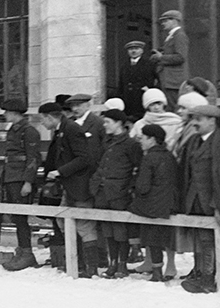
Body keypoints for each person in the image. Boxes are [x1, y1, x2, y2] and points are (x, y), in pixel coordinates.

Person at [38, 101, 101, 278]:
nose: (42, 123)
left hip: (80, 186)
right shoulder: (62, 130)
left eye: (42, 119)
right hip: (69, 185)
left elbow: (85, 158)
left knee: (85, 226)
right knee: (63, 221)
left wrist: (60, 171)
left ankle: (91, 268)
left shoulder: (72, 129)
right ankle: (78, 263)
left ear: (49, 117)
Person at [89, 109, 143, 278]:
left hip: (120, 193)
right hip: (102, 191)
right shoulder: (106, 142)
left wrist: (129, 188)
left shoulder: (131, 144)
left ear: (119, 123)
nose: (104, 125)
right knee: (108, 230)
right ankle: (112, 263)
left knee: (121, 231)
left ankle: (122, 264)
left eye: (108, 122)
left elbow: (138, 168)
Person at [129, 123, 179, 283]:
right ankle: (159, 268)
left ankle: (155, 271)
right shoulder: (169, 156)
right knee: (160, 235)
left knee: (150, 234)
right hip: (169, 203)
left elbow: (143, 187)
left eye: (143, 138)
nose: (141, 141)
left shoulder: (149, 157)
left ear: (152, 139)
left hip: (152, 204)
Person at [178, 104, 218, 294]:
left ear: (212, 121)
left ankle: (209, 279)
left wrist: (217, 205)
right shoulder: (193, 140)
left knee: (209, 240)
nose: (194, 123)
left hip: (211, 200)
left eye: (199, 119)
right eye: (193, 119)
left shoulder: (218, 141)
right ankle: (200, 273)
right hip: (194, 198)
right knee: (199, 238)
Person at [0, 99, 43, 271]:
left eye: (7, 112)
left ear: (14, 113)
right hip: (11, 176)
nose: (4, 115)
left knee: (21, 217)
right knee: (15, 216)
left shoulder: (29, 131)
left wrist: (28, 182)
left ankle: (27, 253)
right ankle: (22, 250)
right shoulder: (14, 130)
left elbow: (33, 158)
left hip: (20, 178)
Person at [148, 10, 189, 111]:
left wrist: (160, 57)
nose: (163, 23)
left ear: (175, 21)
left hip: (174, 81)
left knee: (174, 108)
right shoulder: (172, 36)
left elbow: (180, 57)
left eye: (165, 21)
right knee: (170, 106)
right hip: (169, 80)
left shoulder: (179, 35)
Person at [118, 40, 158, 118]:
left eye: (136, 48)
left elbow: (157, 80)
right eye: (131, 49)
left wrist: (150, 90)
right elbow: (121, 83)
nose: (133, 51)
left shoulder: (149, 64)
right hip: (128, 98)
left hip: (142, 97)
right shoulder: (124, 65)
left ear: (142, 51)